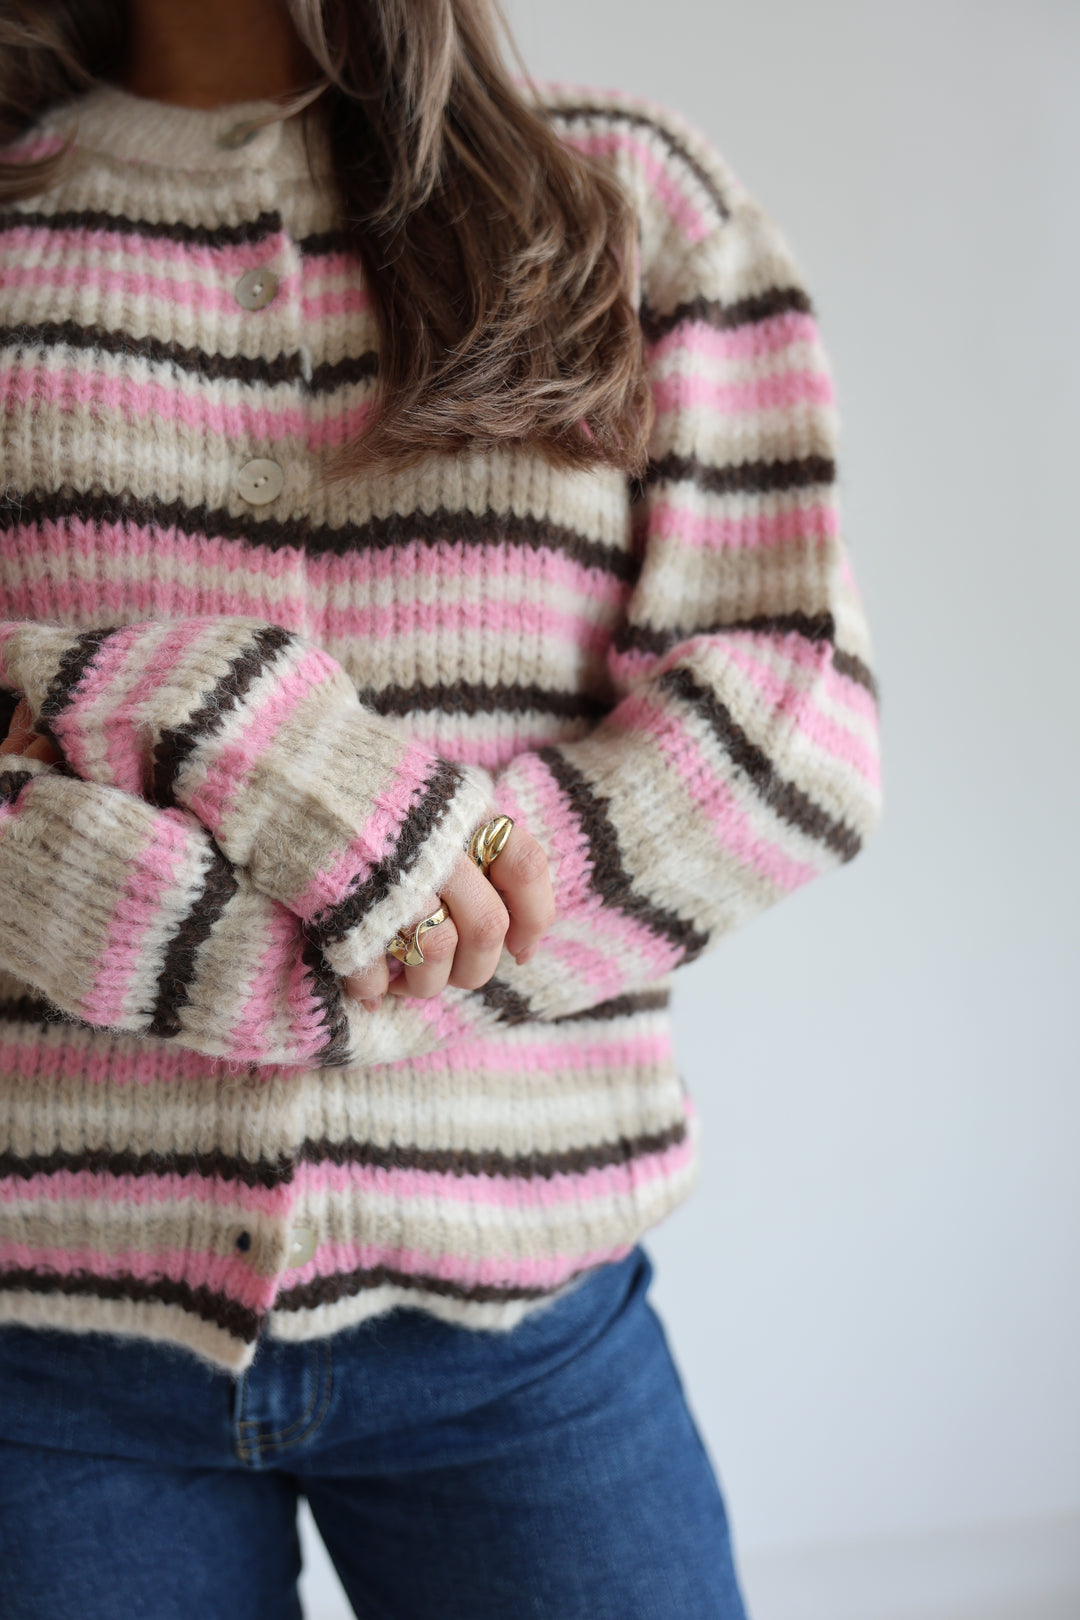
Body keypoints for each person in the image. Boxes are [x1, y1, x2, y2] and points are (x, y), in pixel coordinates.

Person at [0, 1, 881, 1615]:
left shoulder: (621, 201)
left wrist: (436, 906)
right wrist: (179, 748)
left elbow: (794, 717)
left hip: (526, 1334)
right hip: (35, 1351)